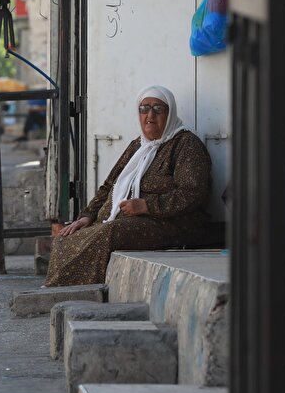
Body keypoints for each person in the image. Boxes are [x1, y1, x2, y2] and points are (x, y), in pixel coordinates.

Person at [43, 86, 217, 287]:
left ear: (170, 114)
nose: (150, 115)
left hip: (171, 223)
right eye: (144, 109)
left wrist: (147, 205)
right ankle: (55, 287)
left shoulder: (186, 144)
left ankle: (78, 289)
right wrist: (87, 216)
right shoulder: (138, 146)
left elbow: (193, 193)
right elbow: (110, 185)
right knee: (65, 237)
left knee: (109, 233)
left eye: (158, 109)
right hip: (126, 220)